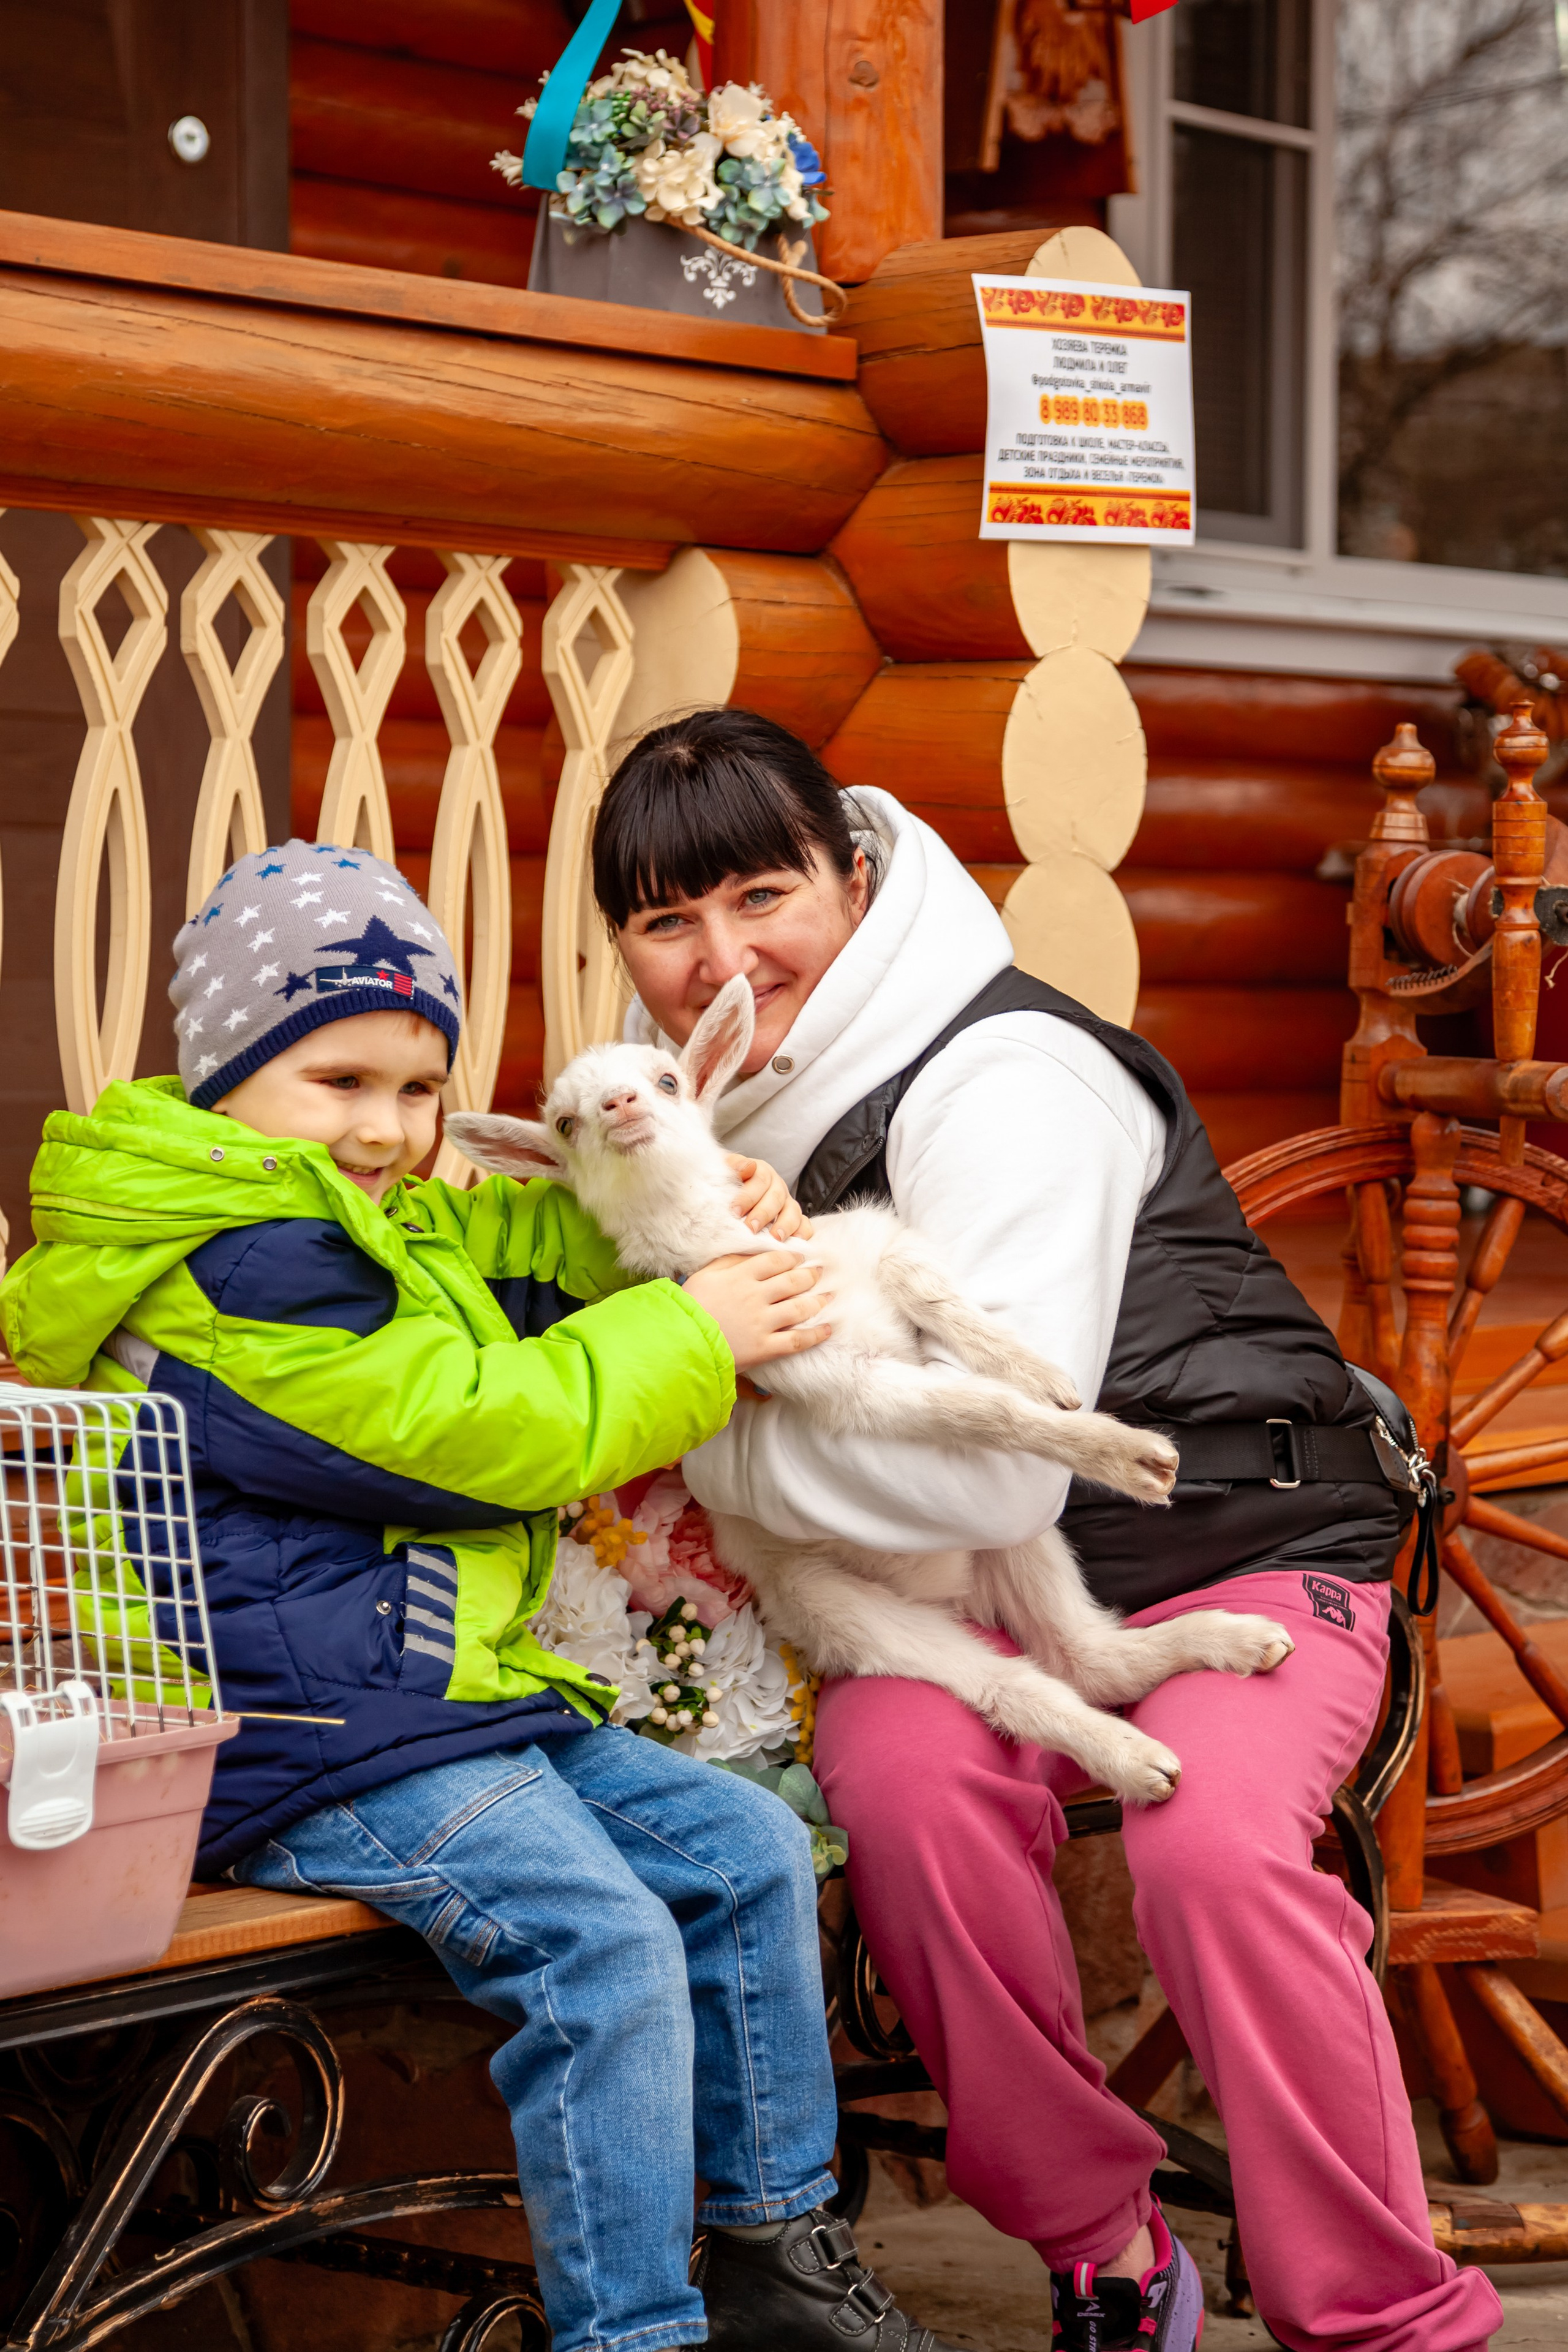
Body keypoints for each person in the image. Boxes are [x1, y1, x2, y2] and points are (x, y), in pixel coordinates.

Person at [591, 707, 1504, 2352]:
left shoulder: (1008, 1074)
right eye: (665, 922)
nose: (716, 957)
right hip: (980, 1596)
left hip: (1237, 1528)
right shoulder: (702, 1123)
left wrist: (715, 1467)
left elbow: (1000, 1477)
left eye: (759, 898)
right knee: (906, 1793)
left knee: (1213, 1853)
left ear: (854, 878)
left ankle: (1383, 2318)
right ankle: (1105, 2253)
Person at [0, 840, 963, 2352]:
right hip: (299, 1729)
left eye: (417, 1085)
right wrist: (696, 1332)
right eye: (341, 1082)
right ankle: (633, 2331)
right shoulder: (232, 1267)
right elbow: (462, 1435)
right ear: (226, 1079)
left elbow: (538, 1239)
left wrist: (692, 1193)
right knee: (604, 1943)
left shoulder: (361, 1215)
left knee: (747, 1847)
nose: (390, 1129)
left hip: (433, 1704)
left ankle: (775, 2249)